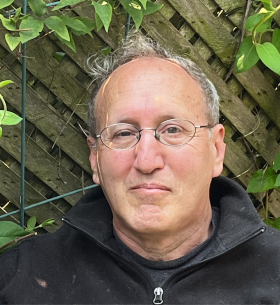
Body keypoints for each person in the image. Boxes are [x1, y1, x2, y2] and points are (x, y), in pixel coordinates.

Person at [0, 32, 280, 304]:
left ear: (216, 150)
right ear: (95, 157)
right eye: (123, 133)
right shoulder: (18, 280)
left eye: (172, 129)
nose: (146, 161)